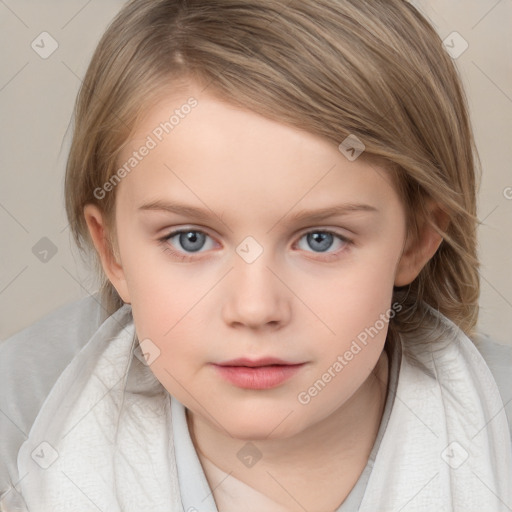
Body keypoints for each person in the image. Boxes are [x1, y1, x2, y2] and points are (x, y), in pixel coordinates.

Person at [1, 0, 511, 510]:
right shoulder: (22, 423)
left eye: (320, 240)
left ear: (417, 239)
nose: (254, 308)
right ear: (111, 249)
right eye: (190, 239)